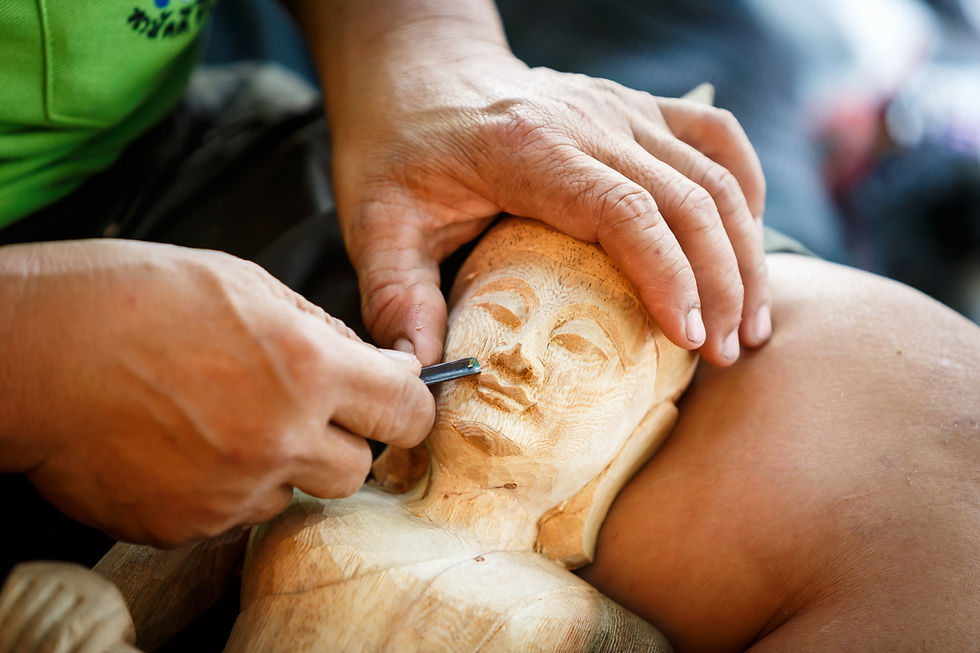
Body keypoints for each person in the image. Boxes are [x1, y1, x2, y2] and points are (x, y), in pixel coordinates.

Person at [0, 0, 771, 551]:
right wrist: (42, 351)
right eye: (501, 313)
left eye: (579, 347)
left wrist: (427, 44)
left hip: (159, 143)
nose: (519, 357)